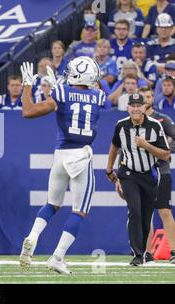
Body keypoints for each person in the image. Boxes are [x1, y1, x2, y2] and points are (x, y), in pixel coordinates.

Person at [19, 56, 106, 274]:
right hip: (81, 156)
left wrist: (28, 85)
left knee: (52, 203)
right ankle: (57, 257)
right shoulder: (99, 96)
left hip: (61, 155)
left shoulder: (61, 93)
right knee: (80, 210)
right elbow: (91, 91)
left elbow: (28, 112)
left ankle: (33, 236)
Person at [106, 93, 170, 266]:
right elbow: (114, 146)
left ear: (144, 107)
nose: (135, 108)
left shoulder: (155, 126)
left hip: (149, 174)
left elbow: (166, 154)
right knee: (135, 210)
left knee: (146, 215)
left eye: (138, 105)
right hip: (128, 174)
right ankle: (137, 254)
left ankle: (143, 251)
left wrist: (147, 145)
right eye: (132, 105)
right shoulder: (121, 125)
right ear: (128, 107)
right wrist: (109, 169)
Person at [139, 87, 175, 264]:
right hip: (142, 171)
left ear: (152, 99)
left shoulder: (163, 119)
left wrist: (165, 151)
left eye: (149, 96)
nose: (146, 100)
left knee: (165, 211)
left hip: (161, 170)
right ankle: (148, 252)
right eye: (143, 97)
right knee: (145, 213)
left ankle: (174, 252)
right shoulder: (133, 121)